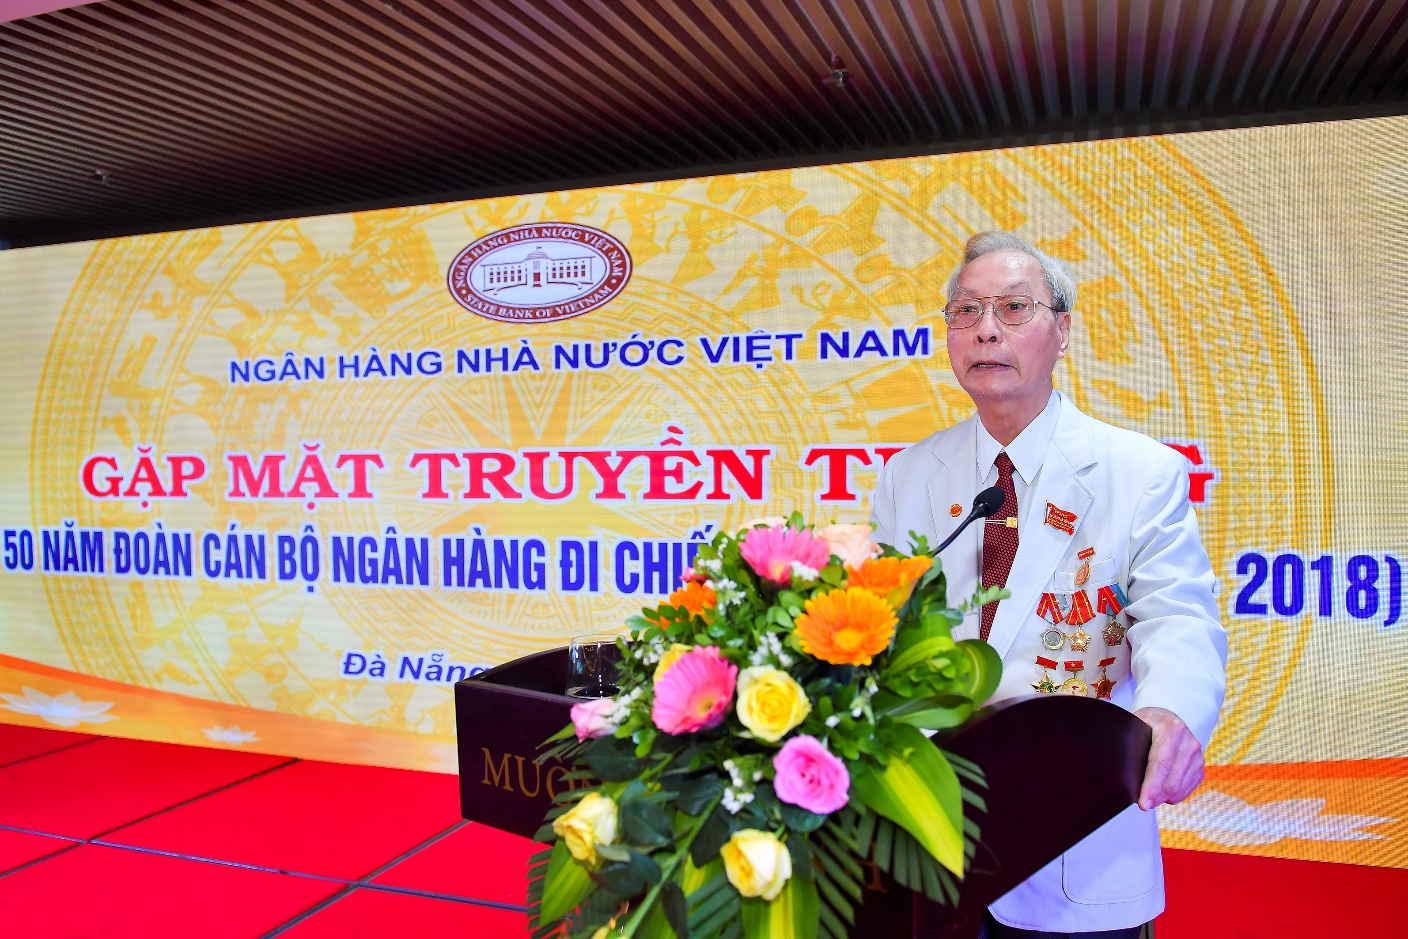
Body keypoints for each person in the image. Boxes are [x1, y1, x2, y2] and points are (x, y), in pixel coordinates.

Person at [870, 232, 1227, 938]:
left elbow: (1178, 615)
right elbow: (878, 628)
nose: (987, 329)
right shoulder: (908, 475)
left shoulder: (1139, 471)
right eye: (966, 310)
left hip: (1076, 839)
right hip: (928, 850)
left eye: (1013, 307)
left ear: (1062, 331)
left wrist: (1174, 709)